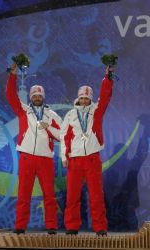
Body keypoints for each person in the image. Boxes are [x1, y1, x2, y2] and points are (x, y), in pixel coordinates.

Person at [6, 64, 62, 234]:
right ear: (31, 97)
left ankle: (51, 225)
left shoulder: (52, 115)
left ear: (43, 97)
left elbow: (63, 135)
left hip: (45, 158)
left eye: (40, 95)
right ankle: (20, 226)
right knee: (23, 194)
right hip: (27, 157)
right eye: (34, 95)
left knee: (49, 195)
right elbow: (10, 95)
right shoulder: (24, 110)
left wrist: (49, 128)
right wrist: (13, 75)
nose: (37, 97)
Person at [60, 66, 114, 236]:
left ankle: (100, 227)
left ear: (90, 99)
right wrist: (64, 155)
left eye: (87, 98)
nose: (84, 101)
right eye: (82, 98)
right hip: (75, 159)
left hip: (92, 158)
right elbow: (64, 136)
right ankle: (72, 226)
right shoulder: (70, 115)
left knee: (96, 195)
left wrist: (108, 77)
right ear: (78, 98)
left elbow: (105, 96)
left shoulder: (96, 111)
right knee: (72, 196)